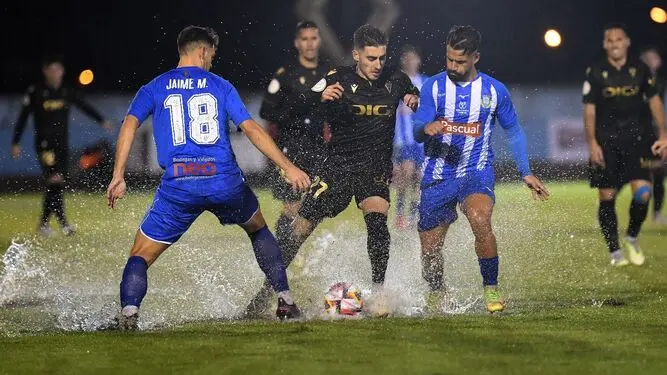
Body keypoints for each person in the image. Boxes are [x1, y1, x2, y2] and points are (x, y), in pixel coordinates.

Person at [105, 25, 311, 329]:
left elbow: (128, 126)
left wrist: (118, 175)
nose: (212, 60)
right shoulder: (220, 86)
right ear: (202, 50)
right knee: (258, 229)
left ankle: (129, 315)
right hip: (224, 181)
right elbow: (252, 129)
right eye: (212, 54)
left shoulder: (154, 87)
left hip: (179, 186)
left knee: (140, 255)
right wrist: (286, 166)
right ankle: (285, 301)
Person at [245, 24, 419, 317]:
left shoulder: (396, 79)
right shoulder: (336, 78)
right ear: (356, 55)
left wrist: (413, 99)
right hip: (336, 167)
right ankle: (267, 292)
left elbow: (412, 92)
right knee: (298, 230)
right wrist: (319, 98)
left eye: (381, 58)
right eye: (370, 59)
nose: (377, 65)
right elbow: (296, 105)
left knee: (377, 221)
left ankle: (379, 295)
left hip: (373, 168)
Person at [414, 25, 549, 314]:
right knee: (430, 251)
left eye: (459, 61)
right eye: (449, 59)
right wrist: (426, 128)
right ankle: (437, 291)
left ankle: (491, 287)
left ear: (476, 57)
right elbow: (416, 129)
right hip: (438, 176)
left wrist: (525, 170)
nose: (452, 66)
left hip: (476, 171)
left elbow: (513, 131)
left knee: (480, 218)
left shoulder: (494, 90)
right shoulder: (433, 87)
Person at [583, 23, 666, 267]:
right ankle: (614, 251)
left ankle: (631, 237)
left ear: (627, 42)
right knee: (606, 196)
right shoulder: (595, 71)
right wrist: (592, 143)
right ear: (604, 44)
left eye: (619, 39)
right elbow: (589, 110)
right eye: (610, 40)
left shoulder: (641, 70)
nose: (614, 44)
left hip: (639, 141)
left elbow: (655, 103)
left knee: (643, 192)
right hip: (607, 142)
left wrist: (663, 134)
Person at [11, 55, 113, 237]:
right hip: (44, 145)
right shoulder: (36, 92)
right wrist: (16, 142)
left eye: (59, 69)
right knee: (55, 180)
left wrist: (102, 120)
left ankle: (43, 224)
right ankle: (64, 224)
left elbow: (83, 105)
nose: (56, 73)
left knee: (57, 184)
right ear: (45, 71)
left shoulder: (66, 91)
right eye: (53, 69)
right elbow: (23, 117)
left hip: (62, 144)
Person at [259, 20, 330, 255]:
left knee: (314, 205)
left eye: (314, 38)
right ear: (297, 43)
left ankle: (289, 251)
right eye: (305, 39)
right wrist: (300, 106)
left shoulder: (328, 73)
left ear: (319, 41)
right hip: (291, 149)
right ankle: (282, 255)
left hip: (319, 148)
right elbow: (266, 112)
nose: (310, 44)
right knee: (292, 206)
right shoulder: (285, 75)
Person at [393, 45, 428, 229]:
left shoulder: (425, 82)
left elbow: (432, 105)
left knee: (417, 177)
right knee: (405, 174)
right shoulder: (396, 81)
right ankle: (400, 214)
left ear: (418, 61)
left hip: (420, 141)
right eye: (407, 59)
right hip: (402, 139)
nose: (410, 62)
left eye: (413, 59)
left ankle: (413, 214)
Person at [639, 46, 667, 223]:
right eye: (648, 58)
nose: (651, 62)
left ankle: (656, 214)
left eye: (653, 58)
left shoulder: (660, 82)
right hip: (635, 133)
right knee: (624, 174)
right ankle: (605, 205)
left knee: (659, 173)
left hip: (655, 134)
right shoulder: (633, 81)